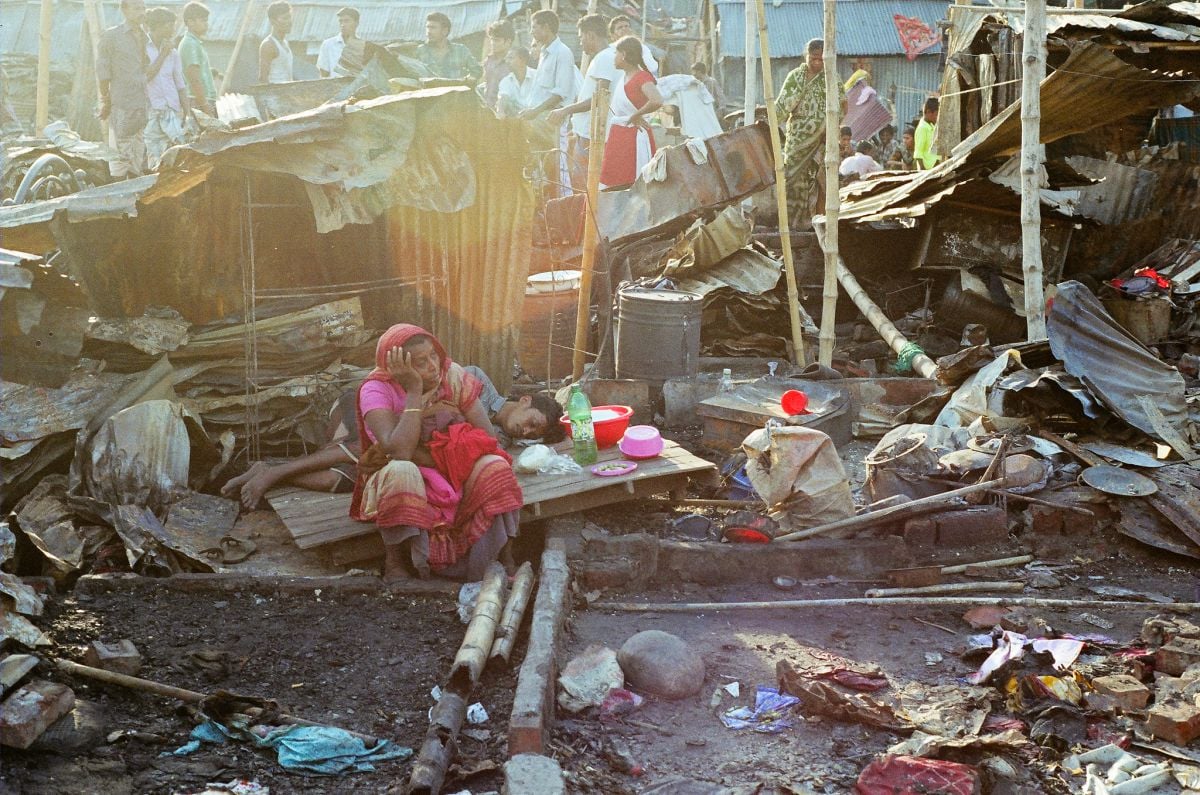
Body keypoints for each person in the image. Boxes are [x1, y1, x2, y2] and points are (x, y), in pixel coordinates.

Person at [222, 365, 563, 510]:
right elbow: (416, 396)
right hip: (375, 410)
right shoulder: (475, 380)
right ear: (525, 400)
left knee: (341, 480)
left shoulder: (500, 441)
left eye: (535, 433)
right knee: (370, 448)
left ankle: (268, 469)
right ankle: (273, 475)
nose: (527, 430)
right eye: (531, 420)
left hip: (401, 441)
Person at [350, 325, 524, 582]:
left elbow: (488, 437)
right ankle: (395, 561)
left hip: (454, 469)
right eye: (421, 362)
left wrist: (451, 453)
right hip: (404, 473)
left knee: (495, 464)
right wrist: (414, 392)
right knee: (402, 471)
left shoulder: (451, 375)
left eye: (434, 355)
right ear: (398, 367)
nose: (433, 366)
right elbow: (400, 451)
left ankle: (505, 556)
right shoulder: (376, 389)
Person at [775, 38, 844, 226]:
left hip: (822, 141)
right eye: (813, 58)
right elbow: (781, 107)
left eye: (821, 59)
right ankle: (788, 223)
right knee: (791, 180)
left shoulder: (832, 78)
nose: (816, 63)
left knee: (819, 182)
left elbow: (843, 105)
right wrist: (769, 124)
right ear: (806, 56)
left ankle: (812, 221)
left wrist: (830, 130)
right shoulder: (796, 77)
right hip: (797, 140)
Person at [548, 14, 618, 192]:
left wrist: (565, 110)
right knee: (584, 186)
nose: (580, 43)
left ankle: (586, 220)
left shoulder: (604, 57)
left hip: (591, 136)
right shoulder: (606, 57)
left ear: (591, 35)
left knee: (583, 187)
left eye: (581, 37)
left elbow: (599, 98)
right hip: (587, 133)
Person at [599, 36, 662, 189]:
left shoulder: (641, 77)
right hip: (619, 133)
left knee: (634, 183)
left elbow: (657, 100)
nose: (614, 57)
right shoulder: (625, 76)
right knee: (614, 183)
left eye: (616, 53)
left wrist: (636, 115)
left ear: (624, 54)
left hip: (635, 135)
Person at [97, 0, 150, 179]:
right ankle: (118, 202)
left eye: (143, 8)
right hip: (122, 105)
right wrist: (106, 100)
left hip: (141, 105)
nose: (142, 12)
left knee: (137, 158)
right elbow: (103, 73)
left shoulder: (144, 36)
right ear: (124, 10)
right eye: (137, 8)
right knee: (120, 159)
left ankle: (134, 203)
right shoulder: (112, 36)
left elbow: (146, 70)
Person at [143, 7, 189, 170]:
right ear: (157, 26)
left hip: (172, 110)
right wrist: (163, 54)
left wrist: (187, 112)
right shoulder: (142, 49)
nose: (172, 29)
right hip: (152, 111)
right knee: (155, 158)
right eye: (169, 25)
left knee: (181, 152)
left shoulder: (173, 53)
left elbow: (180, 85)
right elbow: (146, 76)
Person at [415, 12, 481, 81]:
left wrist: (469, 79)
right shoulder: (419, 51)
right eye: (427, 27)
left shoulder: (460, 50)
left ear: (445, 31)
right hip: (427, 91)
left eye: (433, 28)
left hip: (456, 90)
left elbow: (477, 70)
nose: (428, 31)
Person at [179, 3, 216, 117]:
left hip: (201, 100)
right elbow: (194, 79)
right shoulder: (190, 44)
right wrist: (204, 105)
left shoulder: (195, 43)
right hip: (197, 102)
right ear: (190, 22)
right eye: (203, 20)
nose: (206, 24)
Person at [317, 7, 360, 78]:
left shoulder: (364, 47)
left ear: (356, 23)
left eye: (346, 21)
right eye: (340, 21)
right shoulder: (328, 44)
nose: (342, 25)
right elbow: (324, 74)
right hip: (334, 87)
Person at [482, 18, 514, 110]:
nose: (492, 43)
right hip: (487, 110)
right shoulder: (489, 60)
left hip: (506, 114)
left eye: (497, 40)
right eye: (492, 40)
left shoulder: (514, 63)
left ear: (508, 41)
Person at [259, 1, 294, 84]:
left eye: (290, 17)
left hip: (286, 94)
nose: (289, 22)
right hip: (273, 96)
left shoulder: (285, 43)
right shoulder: (268, 45)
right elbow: (263, 79)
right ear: (272, 21)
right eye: (285, 18)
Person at [496, 47, 536, 118]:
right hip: (518, 118)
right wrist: (500, 111)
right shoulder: (506, 81)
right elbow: (503, 98)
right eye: (506, 58)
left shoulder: (537, 76)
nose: (507, 61)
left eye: (511, 58)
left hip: (537, 115)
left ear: (522, 60)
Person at [914, 96, 940, 170]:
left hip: (935, 166)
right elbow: (918, 153)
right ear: (928, 112)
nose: (937, 118)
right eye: (936, 115)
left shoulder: (932, 126)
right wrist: (923, 171)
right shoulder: (922, 128)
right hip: (926, 168)